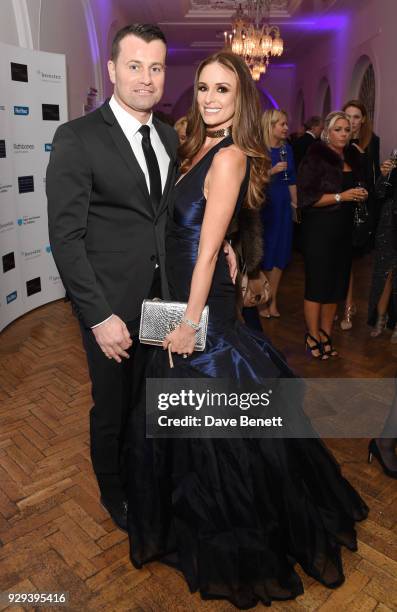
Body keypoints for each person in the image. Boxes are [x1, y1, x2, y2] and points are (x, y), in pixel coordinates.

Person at [126, 52, 368, 609]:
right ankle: (189, 519)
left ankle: (236, 537)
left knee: (217, 429)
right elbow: (206, 227)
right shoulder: (195, 148)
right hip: (172, 294)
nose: (210, 98)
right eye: (204, 88)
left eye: (223, 91)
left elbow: (207, 249)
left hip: (199, 302)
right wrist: (234, 243)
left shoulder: (231, 155)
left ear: (242, 100)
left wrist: (190, 321)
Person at [46, 24, 180, 531]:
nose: (146, 78)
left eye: (156, 67)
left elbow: (165, 217)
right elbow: (66, 238)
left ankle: (148, 475)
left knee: (155, 398)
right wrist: (99, 317)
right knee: (113, 405)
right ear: (112, 70)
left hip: (161, 297)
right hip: (109, 304)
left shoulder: (167, 135)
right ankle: (114, 491)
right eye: (134, 65)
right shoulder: (76, 138)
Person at [297, 111, 367, 359]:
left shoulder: (352, 157)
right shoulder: (315, 157)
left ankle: (326, 334)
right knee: (318, 285)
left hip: (344, 230)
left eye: (347, 129)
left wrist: (360, 194)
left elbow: (354, 188)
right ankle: (312, 335)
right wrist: (342, 196)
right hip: (320, 230)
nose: (344, 134)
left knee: (336, 286)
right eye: (338, 129)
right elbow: (307, 199)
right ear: (327, 131)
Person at [340, 99, 381, 330]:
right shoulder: (336, 139)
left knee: (349, 261)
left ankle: (347, 307)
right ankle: (340, 302)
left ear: (363, 119)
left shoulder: (371, 142)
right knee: (339, 260)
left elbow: (372, 181)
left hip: (358, 208)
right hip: (337, 205)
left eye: (357, 117)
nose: (353, 122)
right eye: (349, 116)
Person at [259, 109, 297, 318]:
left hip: (283, 205)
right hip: (266, 205)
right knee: (266, 253)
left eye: (286, 124)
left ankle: (273, 300)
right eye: (281, 124)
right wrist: (271, 171)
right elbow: (253, 180)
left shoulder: (287, 149)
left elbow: (292, 179)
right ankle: (262, 301)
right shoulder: (259, 150)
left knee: (281, 254)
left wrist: (296, 205)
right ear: (270, 125)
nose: (285, 128)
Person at [368, 157, 397, 342]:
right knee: (384, 274)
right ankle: (380, 318)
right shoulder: (394, 162)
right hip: (388, 224)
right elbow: (378, 193)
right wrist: (383, 175)